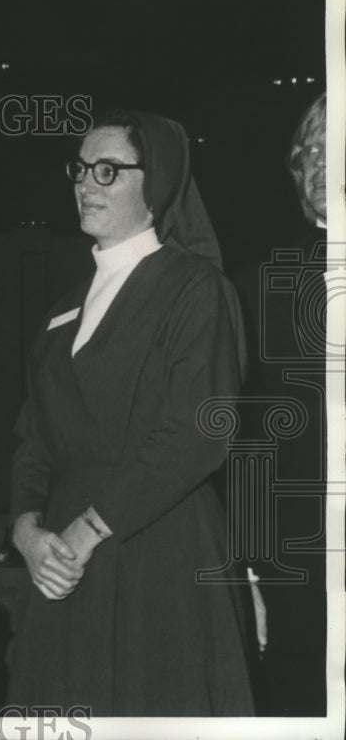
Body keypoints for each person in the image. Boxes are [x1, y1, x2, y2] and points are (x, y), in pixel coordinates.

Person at [9, 110, 255, 716]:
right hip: (62, 563)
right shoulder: (61, 311)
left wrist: (87, 531)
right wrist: (26, 530)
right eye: (80, 169)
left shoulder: (195, 288)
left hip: (158, 546)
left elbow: (198, 434)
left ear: (158, 185)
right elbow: (32, 440)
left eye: (108, 170)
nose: (85, 183)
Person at [234, 92, 328, 715]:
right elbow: (243, 441)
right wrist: (248, 572)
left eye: (334, 150)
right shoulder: (257, 285)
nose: (319, 167)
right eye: (310, 153)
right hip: (296, 569)